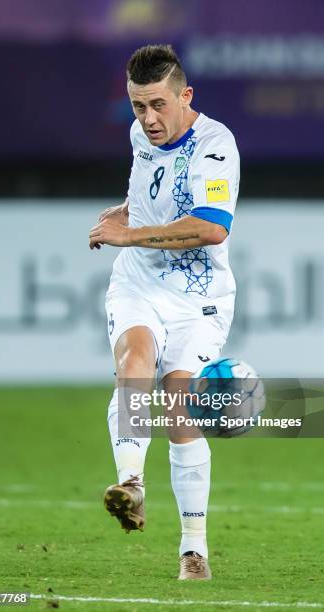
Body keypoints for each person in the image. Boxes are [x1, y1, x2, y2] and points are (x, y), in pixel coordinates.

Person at [89, 44, 240, 581]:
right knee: (134, 358)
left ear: (185, 96)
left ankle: (192, 550)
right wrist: (124, 211)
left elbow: (211, 226)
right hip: (139, 282)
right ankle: (130, 484)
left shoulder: (216, 146)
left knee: (179, 405)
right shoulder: (140, 136)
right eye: (137, 107)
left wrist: (127, 234)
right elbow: (151, 191)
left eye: (158, 105)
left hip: (199, 298)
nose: (148, 119)